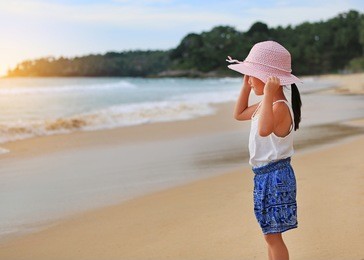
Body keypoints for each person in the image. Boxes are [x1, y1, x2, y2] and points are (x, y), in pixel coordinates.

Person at [226, 40, 302, 260]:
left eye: (252, 75)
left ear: (271, 80)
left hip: (276, 176)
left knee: (273, 236)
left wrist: (269, 93)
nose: (249, 81)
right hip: (264, 176)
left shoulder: (278, 107)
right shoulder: (265, 105)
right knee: (269, 233)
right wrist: (245, 84)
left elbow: (264, 129)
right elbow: (239, 113)